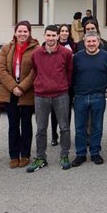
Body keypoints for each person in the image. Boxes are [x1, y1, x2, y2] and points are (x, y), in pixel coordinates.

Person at [27, 25, 74, 172]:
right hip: (41, 95)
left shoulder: (66, 53)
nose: (51, 38)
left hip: (61, 94)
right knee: (41, 129)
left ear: (58, 36)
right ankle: (41, 157)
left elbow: (69, 72)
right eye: (49, 35)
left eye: (54, 35)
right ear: (44, 35)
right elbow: (35, 70)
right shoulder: (36, 54)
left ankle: (64, 155)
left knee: (64, 127)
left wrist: (62, 85)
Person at [0, 20, 39, 169]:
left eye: (25, 31)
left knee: (26, 124)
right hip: (10, 92)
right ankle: (14, 155)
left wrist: (22, 87)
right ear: (15, 32)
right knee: (13, 125)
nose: (22, 34)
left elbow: (36, 71)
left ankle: (25, 154)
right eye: (19, 31)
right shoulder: (6, 48)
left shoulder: (36, 49)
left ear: (29, 33)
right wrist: (14, 87)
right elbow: (1, 69)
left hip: (27, 91)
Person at [71, 31, 107, 167]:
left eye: (93, 41)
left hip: (98, 96)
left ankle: (95, 152)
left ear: (98, 42)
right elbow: (72, 75)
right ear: (84, 43)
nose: (91, 44)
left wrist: (105, 87)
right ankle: (81, 154)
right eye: (88, 41)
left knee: (97, 126)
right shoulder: (77, 57)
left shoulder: (106, 57)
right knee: (80, 128)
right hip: (80, 96)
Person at [51, 23, 75, 146]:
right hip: (55, 83)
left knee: (67, 111)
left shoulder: (74, 46)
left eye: (67, 31)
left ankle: (65, 134)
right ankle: (54, 135)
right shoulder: (53, 45)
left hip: (68, 83)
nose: (65, 33)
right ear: (59, 33)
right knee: (54, 111)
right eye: (62, 31)